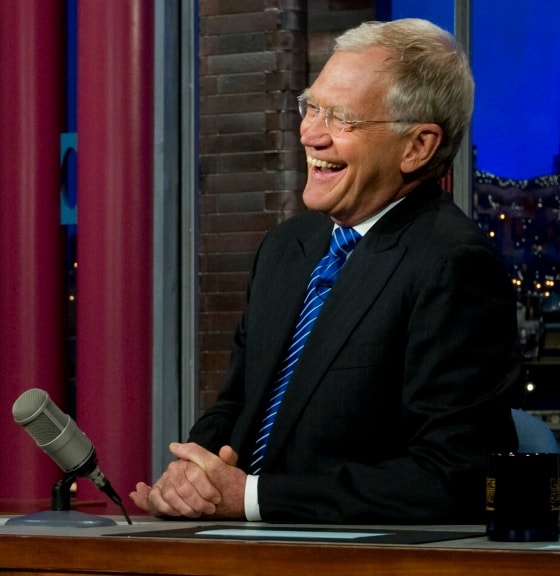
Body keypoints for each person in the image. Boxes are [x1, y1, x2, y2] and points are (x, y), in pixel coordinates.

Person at [130, 17, 522, 524]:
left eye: (343, 119)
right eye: (312, 106)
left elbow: (454, 477)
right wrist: (190, 479)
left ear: (417, 147)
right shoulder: (286, 248)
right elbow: (236, 409)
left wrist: (251, 498)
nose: (311, 134)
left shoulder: (453, 265)